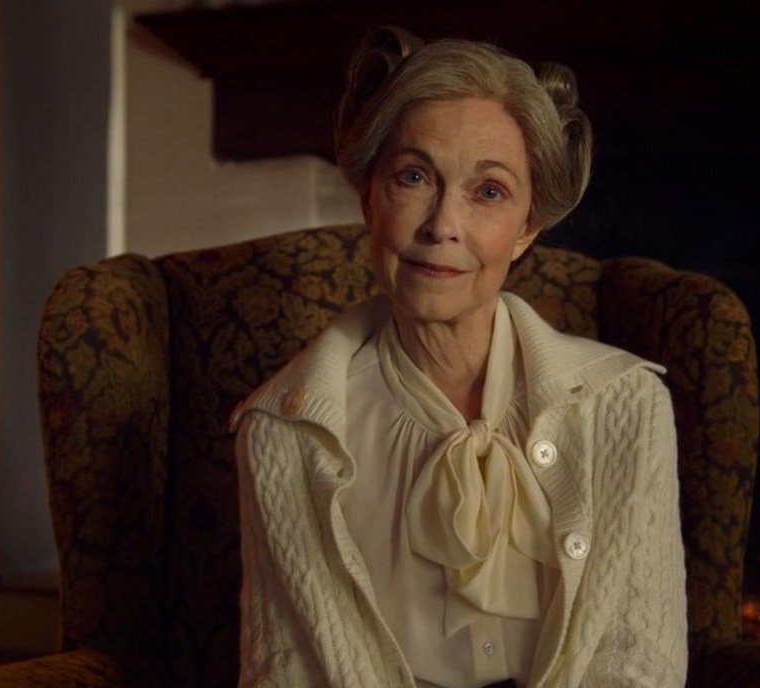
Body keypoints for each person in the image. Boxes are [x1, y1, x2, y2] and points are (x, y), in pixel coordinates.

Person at [229, 25, 687, 688]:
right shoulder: (283, 434)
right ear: (369, 197)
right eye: (414, 177)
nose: (442, 225)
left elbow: (639, 663)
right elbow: (283, 671)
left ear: (527, 228)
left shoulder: (627, 407)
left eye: (488, 191)